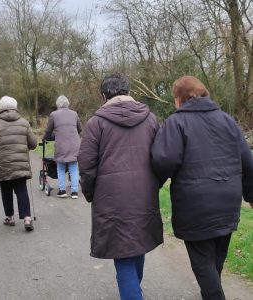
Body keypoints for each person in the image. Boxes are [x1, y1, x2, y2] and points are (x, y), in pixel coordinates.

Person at [151, 75, 253, 300]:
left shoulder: (175, 123)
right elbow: (247, 160)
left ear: (179, 98)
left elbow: (163, 160)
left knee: (203, 263)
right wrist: (251, 194)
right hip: (228, 200)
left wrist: (152, 186)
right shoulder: (228, 121)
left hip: (195, 204)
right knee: (215, 259)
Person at [78, 73, 163, 300]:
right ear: (128, 90)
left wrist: (91, 193)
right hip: (144, 195)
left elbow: (86, 165)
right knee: (137, 243)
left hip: (111, 199)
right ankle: (134, 289)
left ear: (104, 94)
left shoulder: (96, 123)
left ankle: (133, 293)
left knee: (123, 252)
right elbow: (162, 158)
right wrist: (154, 185)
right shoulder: (151, 119)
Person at [0, 96, 37, 231]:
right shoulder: (24, 122)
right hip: (20, 164)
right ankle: (27, 218)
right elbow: (33, 143)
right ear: (15, 106)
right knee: (21, 189)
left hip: (2, 164)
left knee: (6, 190)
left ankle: (10, 217)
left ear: (1, 108)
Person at [42, 95, 82, 199]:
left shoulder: (53, 114)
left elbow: (48, 131)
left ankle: (62, 190)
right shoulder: (74, 114)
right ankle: (74, 192)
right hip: (74, 144)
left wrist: (44, 138)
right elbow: (79, 129)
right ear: (67, 103)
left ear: (58, 104)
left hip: (61, 145)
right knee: (73, 168)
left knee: (60, 167)